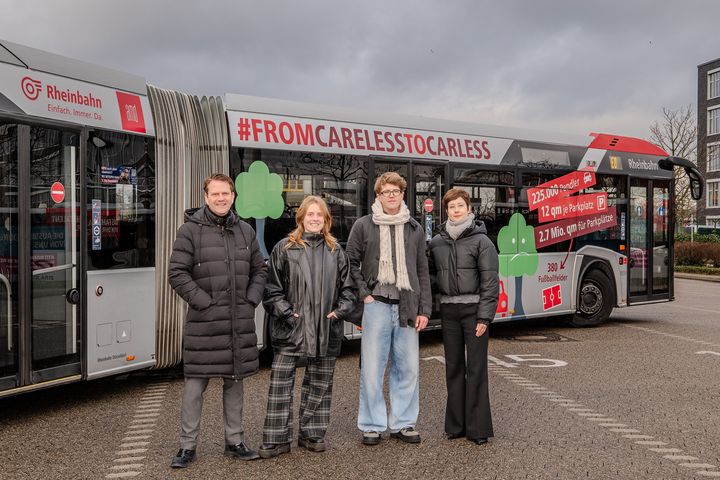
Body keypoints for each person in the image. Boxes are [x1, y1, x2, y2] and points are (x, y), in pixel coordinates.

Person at [167, 173, 267, 468]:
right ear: (206, 197)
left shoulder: (246, 231)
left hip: (238, 322)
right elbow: (177, 273)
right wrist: (205, 303)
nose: (221, 198)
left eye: (226, 193)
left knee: (235, 384)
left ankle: (234, 442)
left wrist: (251, 299)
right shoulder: (189, 231)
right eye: (215, 194)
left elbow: (259, 270)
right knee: (194, 387)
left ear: (234, 196)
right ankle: (187, 447)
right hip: (205, 324)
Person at [258, 195, 355, 458]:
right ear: (301, 217)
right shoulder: (284, 248)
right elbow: (271, 291)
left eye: (319, 215)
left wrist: (339, 312)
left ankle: (312, 433)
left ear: (326, 220)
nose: (314, 219)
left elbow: (349, 290)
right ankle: (277, 438)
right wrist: (288, 314)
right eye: (310, 214)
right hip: (291, 329)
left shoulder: (337, 251)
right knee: (280, 384)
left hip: (326, 328)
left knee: (320, 385)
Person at [345, 172, 432, 446]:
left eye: (395, 191)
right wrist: (364, 295)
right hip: (377, 305)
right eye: (385, 192)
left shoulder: (414, 228)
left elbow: (422, 270)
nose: (391, 195)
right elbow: (350, 262)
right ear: (377, 196)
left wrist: (425, 310)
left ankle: (403, 423)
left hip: (407, 305)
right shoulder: (363, 225)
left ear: (403, 194)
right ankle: (371, 425)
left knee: (407, 369)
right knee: (372, 368)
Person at [428, 188, 499, 445]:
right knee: (453, 368)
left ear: (469, 208)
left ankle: (478, 429)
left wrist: (484, 318)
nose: (455, 210)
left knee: (476, 369)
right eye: (451, 207)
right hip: (449, 312)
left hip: (474, 312)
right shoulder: (436, 243)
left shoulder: (483, 242)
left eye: (460, 205)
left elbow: (490, 282)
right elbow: (431, 278)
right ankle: (455, 426)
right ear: (446, 210)